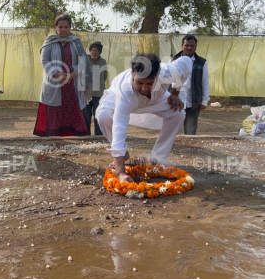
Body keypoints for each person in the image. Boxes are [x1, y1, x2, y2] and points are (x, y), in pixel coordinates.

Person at [96, 53, 192, 182]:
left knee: (178, 113)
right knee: (103, 115)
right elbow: (119, 127)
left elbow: (186, 62)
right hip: (116, 97)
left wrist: (175, 93)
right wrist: (120, 172)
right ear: (132, 75)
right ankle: (122, 154)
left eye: (150, 83)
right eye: (139, 82)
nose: (144, 88)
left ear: (158, 76)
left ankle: (157, 158)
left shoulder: (167, 72)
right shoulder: (125, 91)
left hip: (157, 99)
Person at [33, 13, 92, 137]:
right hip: (54, 84)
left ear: (70, 27)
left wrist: (71, 74)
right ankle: (53, 140)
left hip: (72, 85)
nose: (63, 29)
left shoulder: (76, 42)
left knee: (73, 114)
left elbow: (83, 62)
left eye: (66, 27)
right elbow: (44, 60)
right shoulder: (49, 42)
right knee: (54, 115)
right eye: (61, 27)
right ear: (56, 27)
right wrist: (56, 74)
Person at [171, 34, 209, 135]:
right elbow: (166, 80)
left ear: (196, 47)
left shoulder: (201, 62)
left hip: (193, 101)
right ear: (182, 46)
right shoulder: (173, 60)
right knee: (172, 130)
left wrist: (204, 100)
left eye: (192, 46)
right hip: (176, 101)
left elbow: (205, 81)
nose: (189, 48)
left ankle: (190, 150)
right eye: (187, 45)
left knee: (190, 131)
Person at [83, 41, 108, 135]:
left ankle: (99, 135)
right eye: (92, 50)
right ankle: (86, 135)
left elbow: (104, 76)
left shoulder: (103, 61)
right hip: (86, 94)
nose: (94, 52)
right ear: (89, 51)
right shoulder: (84, 60)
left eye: (97, 51)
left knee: (99, 115)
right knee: (86, 116)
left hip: (99, 94)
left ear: (100, 52)